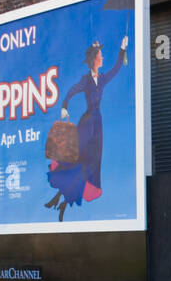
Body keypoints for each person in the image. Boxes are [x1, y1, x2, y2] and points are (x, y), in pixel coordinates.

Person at [44, 34, 127, 220]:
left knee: (92, 161)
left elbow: (116, 69)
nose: (103, 58)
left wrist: (122, 50)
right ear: (95, 59)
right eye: (100, 55)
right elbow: (72, 90)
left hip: (97, 124)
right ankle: (60, 196)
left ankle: (64, 201)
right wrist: (64, 106)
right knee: (77, 158)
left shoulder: (103, 78)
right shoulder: (85, 80)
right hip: (87, 121)